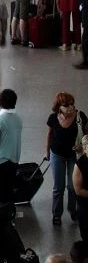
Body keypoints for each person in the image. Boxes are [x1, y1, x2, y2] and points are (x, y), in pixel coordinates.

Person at [46, 92, 84, 226]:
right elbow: (50, 135)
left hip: (74, 156)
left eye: (72, 104)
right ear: (58, 107)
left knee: (73, 186)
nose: (70, 107)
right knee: (58, 187)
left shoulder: (80, 116)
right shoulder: (53, 118)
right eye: (66, 105)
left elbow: (87, 135)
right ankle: (57, 214)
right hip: (57, 155)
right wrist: (47, 152)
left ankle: (73, 210)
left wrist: (82, 146)